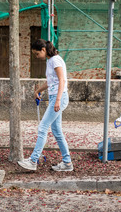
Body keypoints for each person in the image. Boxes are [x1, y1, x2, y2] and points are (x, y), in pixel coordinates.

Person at [17, 39, 73, 171]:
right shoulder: (50, 61)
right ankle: (67, 163)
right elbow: (51, 82)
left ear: (43, 50)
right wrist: (38, 91)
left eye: (37, 54)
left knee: (42, 127)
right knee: (57, 132)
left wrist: (58, 100)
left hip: (59, 98)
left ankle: (33, 160)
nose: (36, 57)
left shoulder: (55, 60)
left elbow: (62, 80)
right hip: (56, 97)